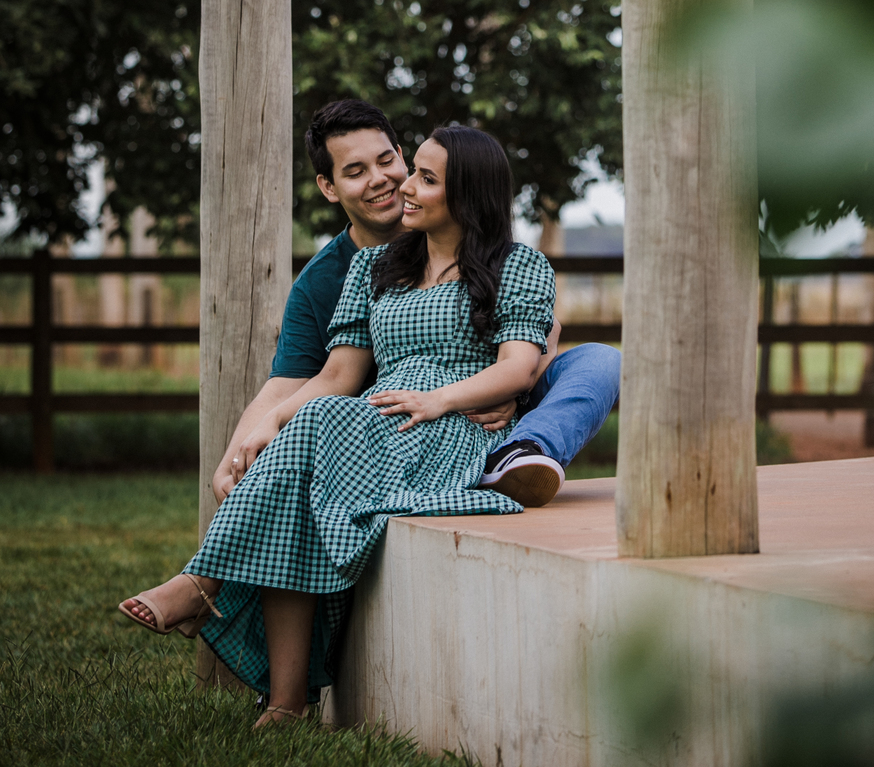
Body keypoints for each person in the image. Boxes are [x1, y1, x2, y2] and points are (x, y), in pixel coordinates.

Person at [119, 123, 582, 725]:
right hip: (376, 420)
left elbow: (518, 366)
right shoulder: (374, 268)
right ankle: (286, 703)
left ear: (467, 194)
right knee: (299, 478)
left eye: (424, 178)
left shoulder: (518, 265)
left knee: (319, 432)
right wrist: (267, 425)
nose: (404, 187)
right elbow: (338, 374)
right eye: (414, 172)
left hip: (455, 429)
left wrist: (438, 400)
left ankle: (204, 584)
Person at [212, 98, 620, 508]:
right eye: (355, 172)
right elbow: (294, 382)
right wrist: (235, 457)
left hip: (491, 393)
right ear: (329, 187)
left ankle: (520, 451)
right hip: (393, 420)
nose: (381, 180)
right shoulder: (328, 280)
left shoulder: (484, 249)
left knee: (601, 360)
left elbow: (539, 336)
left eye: (386, 161)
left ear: (401, 155)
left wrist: (507, 386)